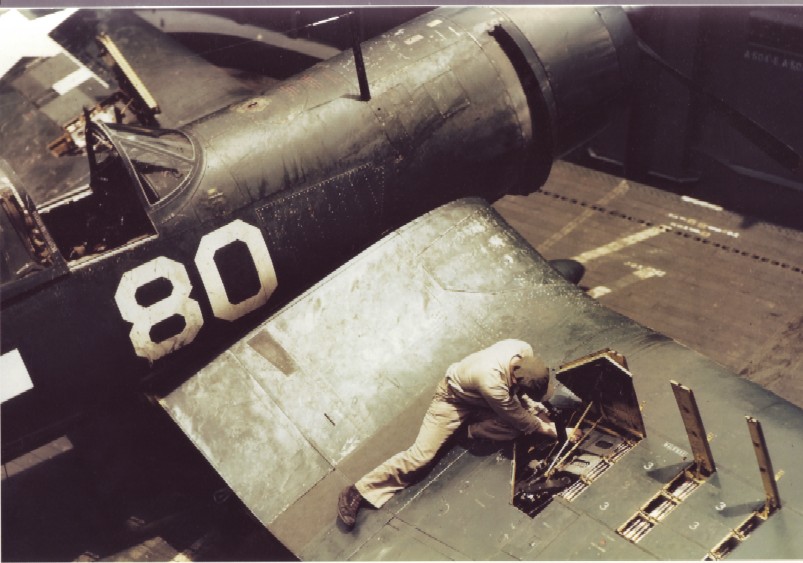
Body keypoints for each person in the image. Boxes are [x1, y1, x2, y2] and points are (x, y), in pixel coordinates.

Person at [337, 338, 574, 530]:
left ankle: (468, 431)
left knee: (522, 420)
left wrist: (538, 408)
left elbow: (518, 397)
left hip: (485, 397)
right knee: (421, 457)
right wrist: (560, 432)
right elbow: (522, 418)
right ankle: (359, 490)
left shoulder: (522, 349)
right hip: (453, 400)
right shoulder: (491, 381)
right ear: (514, 377)